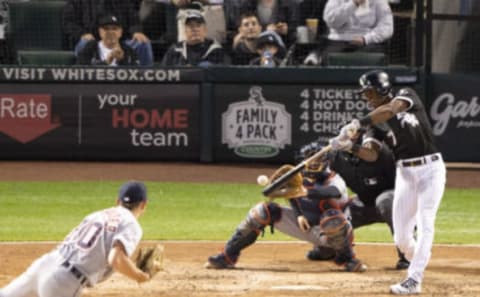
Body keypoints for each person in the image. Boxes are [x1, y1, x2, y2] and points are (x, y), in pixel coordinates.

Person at [330, 70, 446, 294]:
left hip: (430, 169)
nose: (367, 97)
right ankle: (420, 259)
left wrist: (358, 123)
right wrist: (349, 147)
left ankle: (414, 279)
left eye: (370, 92)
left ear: (383, 87)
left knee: (425, 222)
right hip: (405, 174)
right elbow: (371, 154)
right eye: (365, 94)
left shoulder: (405, 94)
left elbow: (391, 109)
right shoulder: (376, 122)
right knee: (402, 238)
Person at [205, 156, 367, 273]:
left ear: (325, 162)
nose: (313, 163)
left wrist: (305, 191)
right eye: (310, 160)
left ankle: (347, 259)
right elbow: (291, 196)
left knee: (332, 220)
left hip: (334, 233)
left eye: (317, 160)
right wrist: (298, 215)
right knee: (261, 211)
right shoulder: (298, 178)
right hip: (306, 227)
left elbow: (332, 192)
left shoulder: (335, 179)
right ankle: (227, 257)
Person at [0, 181, 151, 297]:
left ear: (118, 201)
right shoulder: (131, 223)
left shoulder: (98, 214)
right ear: (143, 205)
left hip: (45, 264)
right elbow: (116, 259)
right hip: (63, 282)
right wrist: (139, 275)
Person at [298, 137, 410, 270]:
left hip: (395, 199)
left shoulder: (378, 151)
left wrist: (351, 146)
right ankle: (330, 250)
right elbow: (320, 168)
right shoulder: (337, 158)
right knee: (335, 217)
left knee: (384, 201)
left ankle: (407, 254)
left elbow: (371, 155)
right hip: (363, 203)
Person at [63, 0, 154, 66]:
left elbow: (133, 19)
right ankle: (85, 81)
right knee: (85, 44)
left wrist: (136, 31)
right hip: (92, 40)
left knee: (143, 43)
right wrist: (82, 34)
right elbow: (68, 23)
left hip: (121, 42)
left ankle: (146, 80)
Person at [303, 0, 393, 66]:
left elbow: (387, 27)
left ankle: (316, 54)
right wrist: (353, 4)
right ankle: (316, 55)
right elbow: (332, 22)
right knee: (328, 55)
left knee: (375, 53)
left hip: (367, 42)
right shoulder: (335, 1)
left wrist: (366, 39)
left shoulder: (379, 2)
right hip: (338, 40)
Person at [161, 10, 226, 66]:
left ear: (205, 30)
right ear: (185, 31)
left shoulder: (215, 49)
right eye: (191, 26)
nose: (195, 29)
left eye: (198, 26)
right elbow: (164, 71)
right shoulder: (175, 50)